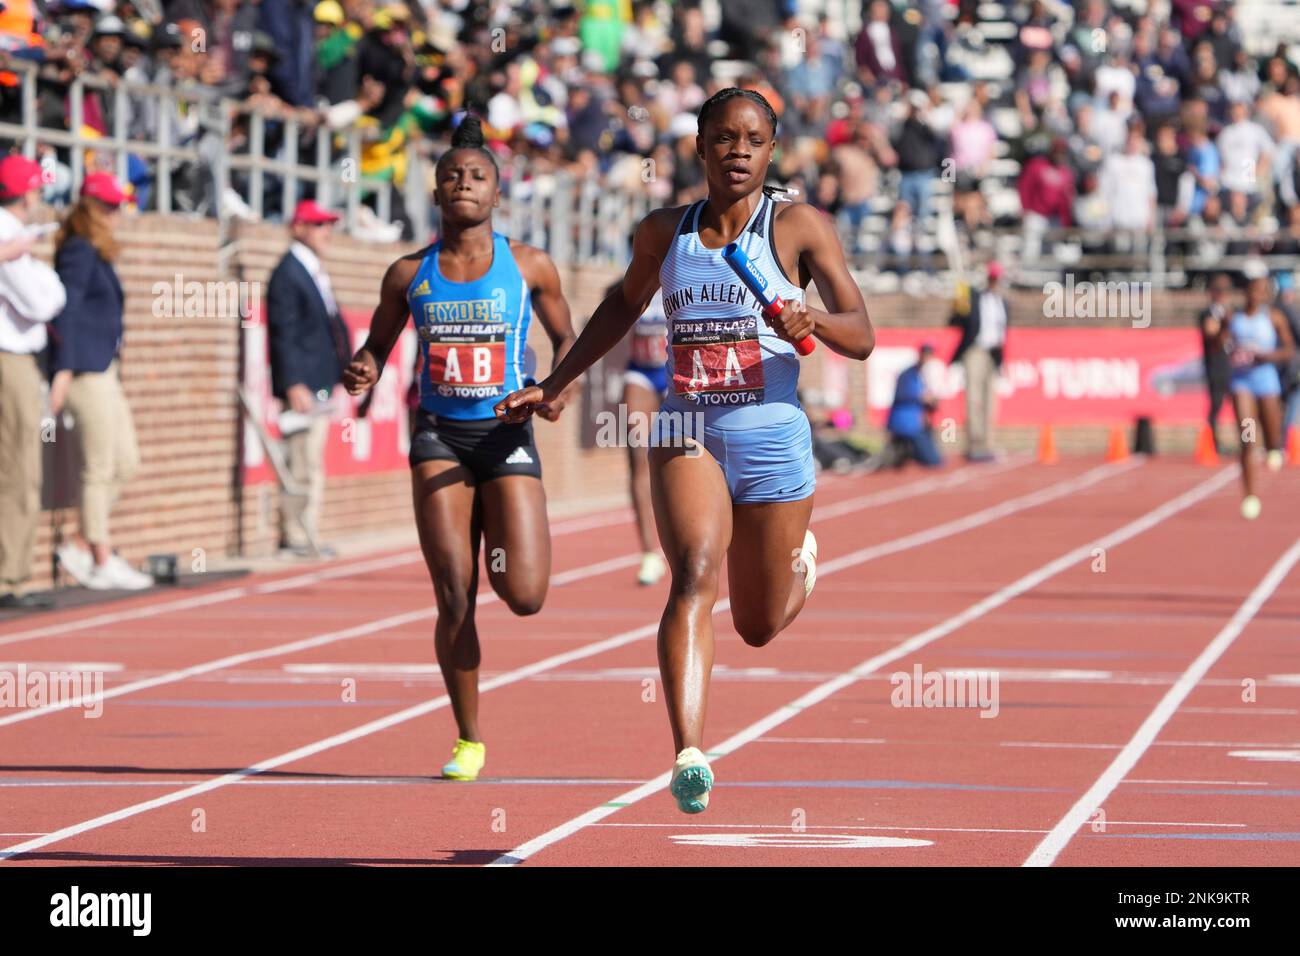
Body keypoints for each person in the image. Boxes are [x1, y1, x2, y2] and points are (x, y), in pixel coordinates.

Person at [496, 88, 874, 814]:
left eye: (754, 139)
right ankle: (689, 753)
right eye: (724, 138)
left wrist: (813, 317)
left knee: (758, 626)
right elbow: (620, 306)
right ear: (698, 148)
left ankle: (802, 565)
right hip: (686, 427)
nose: (738, 151)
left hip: (770, 430)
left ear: (772, 151)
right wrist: (556, 381)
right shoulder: (662, 231)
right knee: (695, 574)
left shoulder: (797, 225)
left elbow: (862, 335)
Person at [343, 115, 577, 782]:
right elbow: (375, 350)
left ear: (496, 193)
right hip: (439, 436)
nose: (462, 184)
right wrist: (361, 367)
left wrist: (551, 390)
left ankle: (499, 544)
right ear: (436, 192)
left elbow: (570, 343)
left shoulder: (528, 266)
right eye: (451, 177)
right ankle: (468, 738)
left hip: (505, 434)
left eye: (475, 176)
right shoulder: (408, 273)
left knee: (525, 594)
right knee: (453, 594)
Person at [48, 172, 151, 591]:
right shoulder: (77, 251)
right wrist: (64, 370)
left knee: (126, 462)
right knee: (99, 468)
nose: (115, 214)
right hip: (84, 372)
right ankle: (101, 556)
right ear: (89, 207)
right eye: (108, 206)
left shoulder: (96, 251)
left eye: (118, 206)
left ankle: (78, 544)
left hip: (104, 368)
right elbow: (66, 312)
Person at [0, 155, 68, 609]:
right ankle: (10, 577)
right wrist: (41, 270)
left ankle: (14, 574)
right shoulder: (8, 233)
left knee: (20, 467)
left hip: (18, 359)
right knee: (19, 469)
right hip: (11, 359)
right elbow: (42, 303)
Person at [266, 198, 351, 558]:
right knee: (301, 460)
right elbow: (283, 333)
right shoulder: (288, 273)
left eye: (329, 225)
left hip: (320, 380)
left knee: (312, 460)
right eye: (318, 225)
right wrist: (293, 382)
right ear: (298, 227)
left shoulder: (314, 270)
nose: (326, 232)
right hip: (304, 384)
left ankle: (306, 531)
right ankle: (296, 536)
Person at [1213, 269, 1295, 519]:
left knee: (1272, 437)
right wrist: (1223, 336)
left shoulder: (1274, 317)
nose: (1257, 295)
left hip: (1266, 382)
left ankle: (1274, 447)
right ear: (1247, 292)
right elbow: (1218, 344)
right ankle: (1250, 494)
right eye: (1254, 289)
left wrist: (1267, 356)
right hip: (1242, 383)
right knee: (1248, 440)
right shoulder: (1234, 317)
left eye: (1262, 291)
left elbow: (1289, 349)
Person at [613, 278, 669, 586]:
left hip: (676, 374)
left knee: (690, 456)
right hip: (642, 374)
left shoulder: (685, 276)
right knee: (638, 460)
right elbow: (611, 308)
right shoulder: (633, 284)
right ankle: (649, 552)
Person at [950, 260, 1008, 462]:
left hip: (993, 354)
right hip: (975, 351)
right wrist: (959, 303)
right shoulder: (975, 298)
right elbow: (957, 321)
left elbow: (1002, 331)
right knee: (973, 399)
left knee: (990, 402)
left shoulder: (1002, 302)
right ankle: (975, 446)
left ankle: (988, 444)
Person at [882, 342, 944, 469]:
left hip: (915, 423)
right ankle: (906, 450)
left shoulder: (922, 374)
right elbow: (913, 395)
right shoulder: (908, 374)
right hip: (906, 424)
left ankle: (905, 451)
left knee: (937, 458)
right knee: (934, 462)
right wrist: (928, 399)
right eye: (926, 354)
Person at [1197, 272, 1234, 453]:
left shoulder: (1232, 312)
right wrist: (1226, 325)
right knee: (1216, 406)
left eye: (1225, 290)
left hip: (1234, 366)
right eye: (1218, 289)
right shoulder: (1207, 313)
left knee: (1242, 407)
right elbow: (1214, 339)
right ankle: (1213, 443)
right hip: (1216, 367)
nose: (1221, 293)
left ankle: (1247, 441)